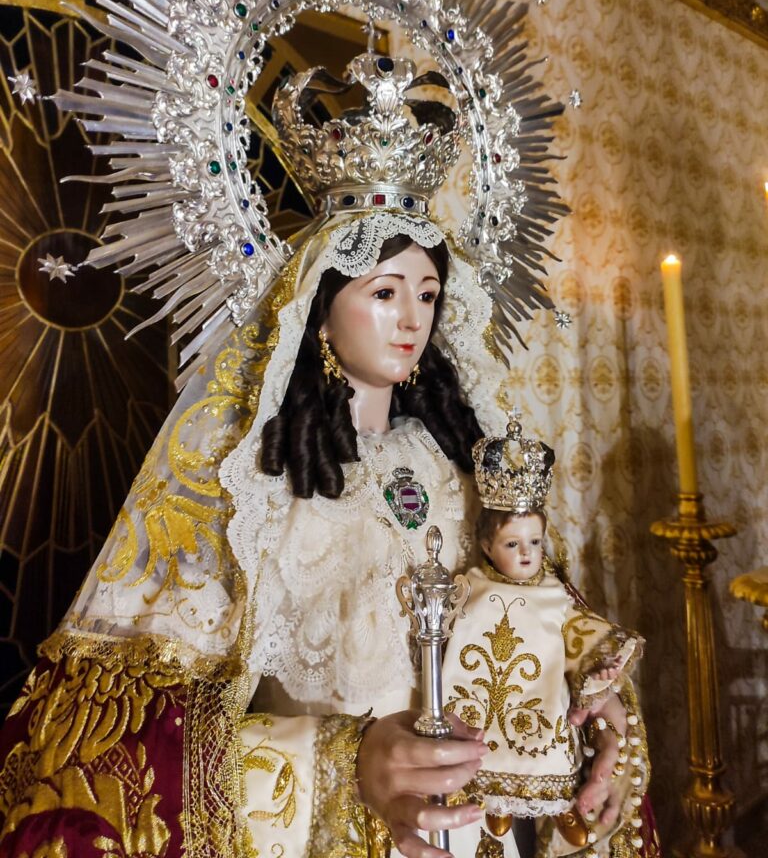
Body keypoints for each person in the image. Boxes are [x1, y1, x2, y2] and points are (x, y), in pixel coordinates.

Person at [0, 56, 651, 858]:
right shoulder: (250, 485)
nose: (411, 316)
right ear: (319, 310)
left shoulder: (456, 465)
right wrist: (349, 764)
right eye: (383, 291)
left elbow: (528, 611)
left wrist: (593, 698)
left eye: (427, 292)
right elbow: (136, 745)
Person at [441, 418, 645, 857]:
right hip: (481, 704)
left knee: (553, 743)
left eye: (534, 541)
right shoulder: (473, 585)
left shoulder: (552, 591)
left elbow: (577, 629)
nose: (528, 553)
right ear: (486, 546)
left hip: (541, 699)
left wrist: (599, 668)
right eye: (513, 545)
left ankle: (558, 805)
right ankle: (496, 803)